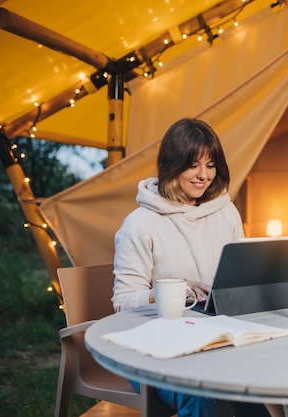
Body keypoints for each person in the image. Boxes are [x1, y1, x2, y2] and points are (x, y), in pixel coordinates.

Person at [112, 118, 269, 417]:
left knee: (259, 390)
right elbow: (122, 303)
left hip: (216, 341)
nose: (203, 175)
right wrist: (173, 291)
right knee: (207, 396)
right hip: (153, 348)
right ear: (172, 164)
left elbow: (239, 277)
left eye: (210, 165)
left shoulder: (226, 212)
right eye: (193, 165)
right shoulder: (140, 223)